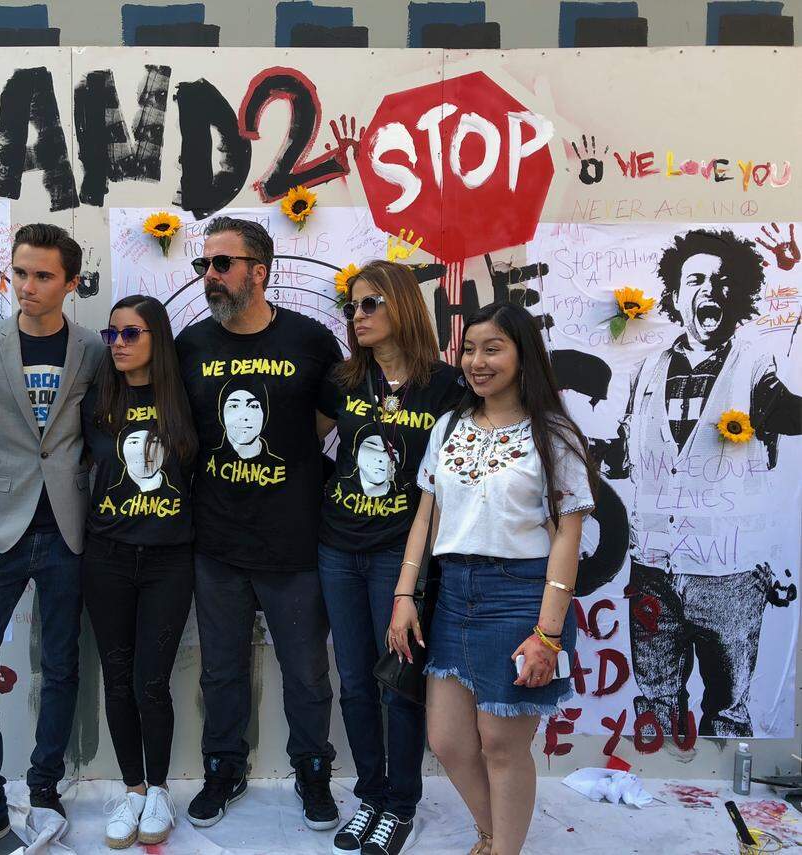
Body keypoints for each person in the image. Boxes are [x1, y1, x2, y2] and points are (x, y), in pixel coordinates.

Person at [389, 302, 596, 855]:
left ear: (523, 355)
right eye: (470, 349)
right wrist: (404, 596)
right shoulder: (449, 427)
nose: (477, 362)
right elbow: (425, 518)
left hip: (520, 600)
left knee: (502, 747)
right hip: (453, 596)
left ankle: (504, 847)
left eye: (493, 348)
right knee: (449, 741)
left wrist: (548, 633)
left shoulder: (554, 435)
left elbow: (566, 536)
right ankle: (494, 832)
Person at [0, 224, 105, 855]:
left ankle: (44, 789)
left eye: (43, 276)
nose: (27, 287)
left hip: (68, 533)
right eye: (20, 273)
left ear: (70, 283)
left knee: (59, 669)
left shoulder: (91, 349)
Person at [594, 228, 802, 738]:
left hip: (728, 578)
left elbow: (789, 413)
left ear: (739, 295)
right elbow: (625, 459)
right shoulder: (645, 371)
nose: (710, 289)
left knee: (727, 713)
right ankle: (656, 797)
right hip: (653, 572)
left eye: (723, 280)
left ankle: (714, 804)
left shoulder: (756, 365)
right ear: (676, 294)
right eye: (696, 280)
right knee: (654, 703)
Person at [175, 216, 342, 832]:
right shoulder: (191, 345)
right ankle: (224, 767)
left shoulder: (311, 340)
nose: (210, 277)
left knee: (305, 670)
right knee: (221, 668)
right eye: (203, 266)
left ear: (259, 271)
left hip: (296, 541)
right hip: (216, 541)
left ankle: (313, 770)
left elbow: (328, 422)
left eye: (222, 264)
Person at [317, 260, 462, 855]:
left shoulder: (446, 385)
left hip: (401, 557)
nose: (358, 316)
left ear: (402, 304)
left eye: (371, 303)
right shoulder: (344, 380)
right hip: (336, 548)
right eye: (352, 306)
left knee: (398, 681)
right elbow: (304, 446)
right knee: (353, 681)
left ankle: (400, 803)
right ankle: (370, 796)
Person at [80, 295, 198, 848]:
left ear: (157, 338)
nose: (120, 344)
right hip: (106, 557)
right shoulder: (97, 398)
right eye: (113, 335)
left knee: (152, 682)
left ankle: (158, 790)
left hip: (170, 559)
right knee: (118, 677)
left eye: (132, 333)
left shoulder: (185, 398)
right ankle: (131, 790)